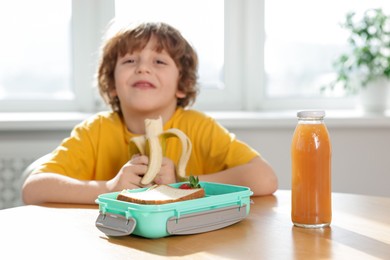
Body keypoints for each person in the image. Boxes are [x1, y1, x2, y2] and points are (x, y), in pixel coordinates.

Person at [22, 22, 277, 205]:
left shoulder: (199, 127)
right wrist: (110, 188)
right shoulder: (94, 131)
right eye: (130, 61)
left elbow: (265, 179)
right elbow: (33, 189)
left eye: (159, 62)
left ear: (182, 85)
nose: (143, 68)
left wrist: (183, 180)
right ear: (112, 84)